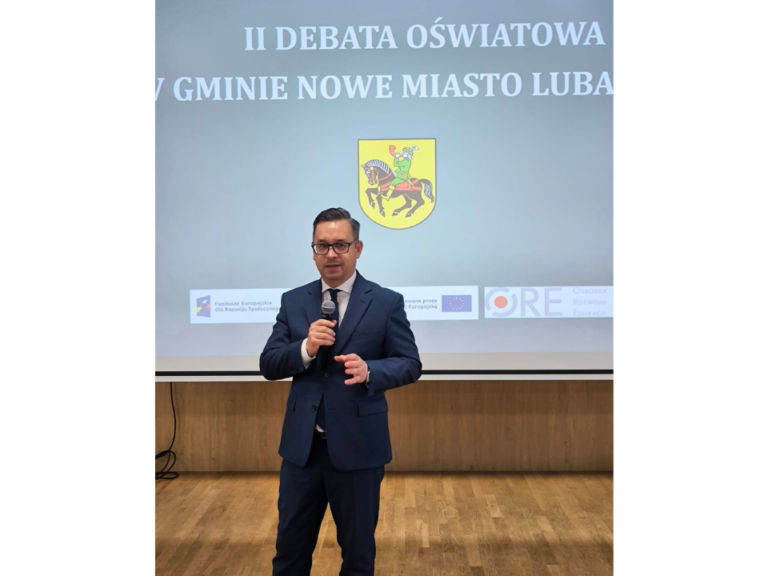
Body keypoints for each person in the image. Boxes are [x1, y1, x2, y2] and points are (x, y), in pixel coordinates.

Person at [260, 207, 422, 576]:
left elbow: (410, 363)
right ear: (313, 251)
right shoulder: (293, 300)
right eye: (322, 246)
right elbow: (269, 363)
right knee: (289, 554)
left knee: (358, 556)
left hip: (359, 449)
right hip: (302, 452)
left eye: (340, 245)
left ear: (357, 248)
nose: (331, 254)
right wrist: (305, 348)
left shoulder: (385, 302)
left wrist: (370, 371)